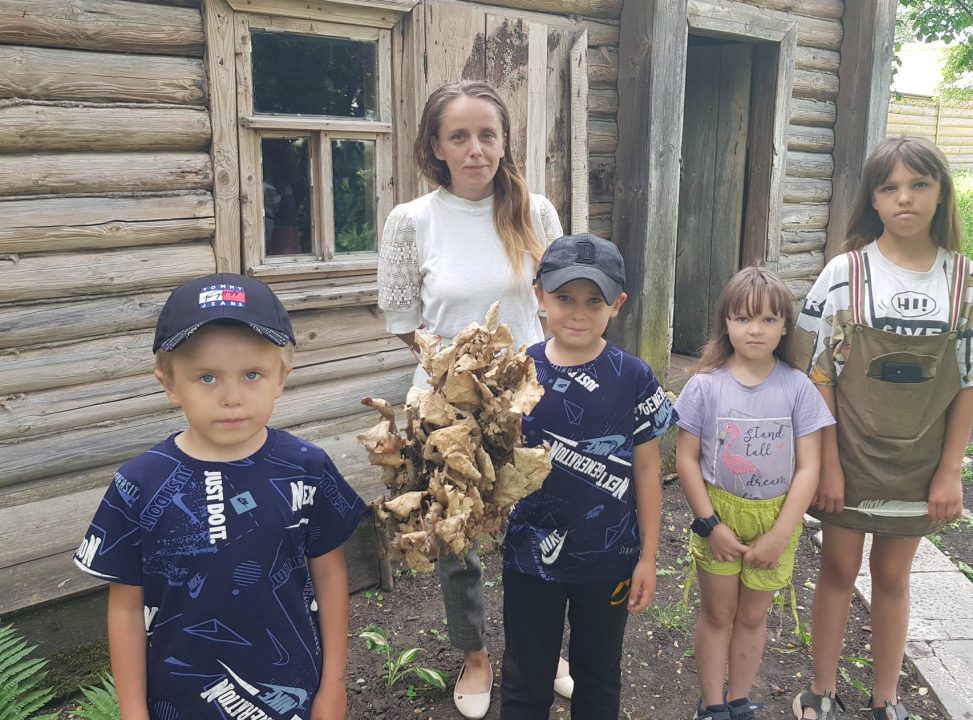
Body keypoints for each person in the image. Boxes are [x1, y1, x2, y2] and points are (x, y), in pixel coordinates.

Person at [74, 273, 367, 720]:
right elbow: (126, 608)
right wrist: (132, 711)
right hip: (180, 704)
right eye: (207, 377)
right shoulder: (139, 483)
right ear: (170, 384)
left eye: (252, 374)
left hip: (291, 697)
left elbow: (328, 577)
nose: (232, 398)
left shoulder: (307, 467)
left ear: (281, 377)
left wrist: (333, 686)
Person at [376, 80, 568, 719]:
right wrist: (455, 371)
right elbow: (404, 316)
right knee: (460, 538)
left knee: (538, 526)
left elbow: (558, 301)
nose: (476, 148)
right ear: (436, 145)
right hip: (444, 408)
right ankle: (475, 655)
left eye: (487, 134)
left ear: (504, 139)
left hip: (526, 401)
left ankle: (546, 648)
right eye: (459, 136)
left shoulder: (534, 212)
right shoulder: (411, 221)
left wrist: (515, 379)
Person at [786, 137, 973, 720]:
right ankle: (821, 692)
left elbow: (972, 379)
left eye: (919, 185)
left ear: (941, 194)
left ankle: (886, 699)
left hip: (921, 461)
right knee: (837, 567)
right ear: (872, 199)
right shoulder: (843, 273)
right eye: (890, 187)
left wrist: (950, 471)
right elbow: (818, 374)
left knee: (894, 577)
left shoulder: (964, 281)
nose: (905, 198)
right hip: (847, 455)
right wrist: (825, 464)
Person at [500, 233, 676, 720]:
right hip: (529, 556)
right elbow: (493, 458)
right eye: (563, 298)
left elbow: (647, 468)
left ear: (617, 304)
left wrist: (648, 555)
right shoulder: (517, 371)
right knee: (524, 675)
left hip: (610, 558)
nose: (577, 312)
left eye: (593, 301)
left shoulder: (634, 376)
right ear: (539, 296)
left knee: (598, 676)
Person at [674, 266, 834, 720]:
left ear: (785, 325)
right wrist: (710, 524)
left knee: (752, 616)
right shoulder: (706, 386)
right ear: (726, 322)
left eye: (767, 319)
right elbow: (685, 459)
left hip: (774, 519)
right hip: (719, 517)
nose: (755, 329)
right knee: (718, 613)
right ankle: (712, 704)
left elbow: (809, 467)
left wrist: (782, 533)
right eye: (743, 318)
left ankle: (739, 700)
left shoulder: (798, 388)